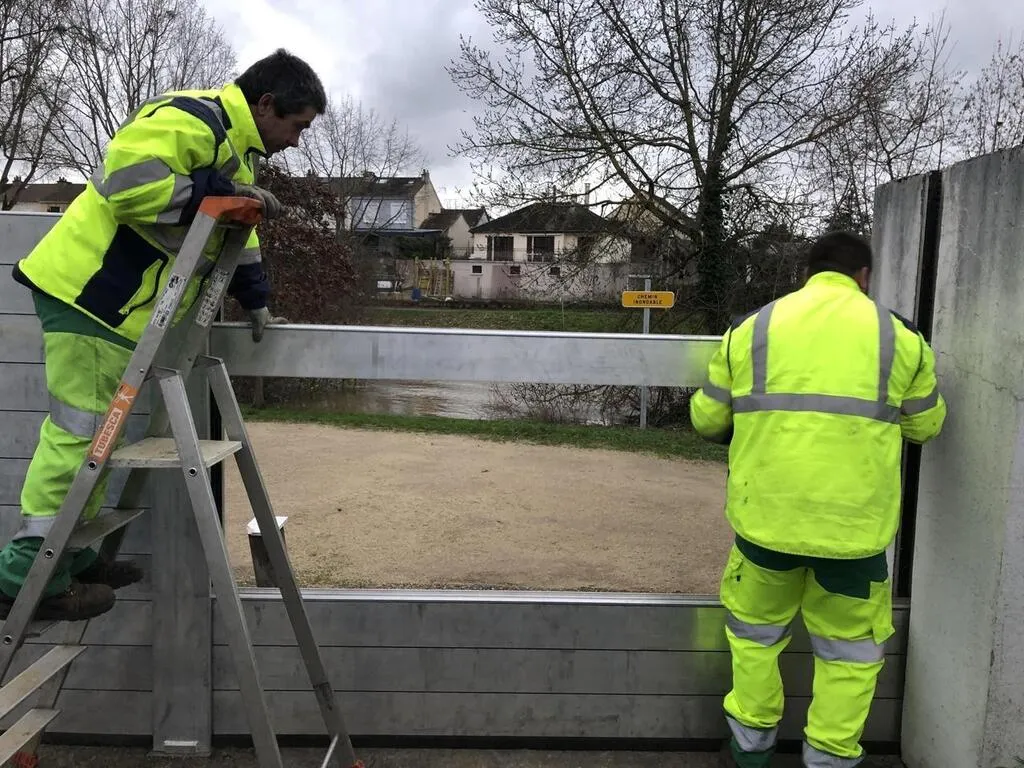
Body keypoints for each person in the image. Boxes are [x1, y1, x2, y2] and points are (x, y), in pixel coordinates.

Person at [0, 49, 326, 622]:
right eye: (297, 126)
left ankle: (68, 559)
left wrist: (255, 295)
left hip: (114, 308)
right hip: (92, 297)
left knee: (99, 440)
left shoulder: (235, 151)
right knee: (81, 438)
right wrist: (221, 192)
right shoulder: (194, 120)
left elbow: (236, 233)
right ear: (266, 104)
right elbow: (129, 186)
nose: (297, 141)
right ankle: (25, 574)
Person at [690, 231, 947, 768]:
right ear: (864, 277)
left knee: (755, 638)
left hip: (766, 526)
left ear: (806, 274)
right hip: (854, 535)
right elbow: (926, 426)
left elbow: (707, 419)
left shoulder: (752, 328)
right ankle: (828, 759)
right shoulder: (900, 337)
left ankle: (750, 749)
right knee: (849, 655)